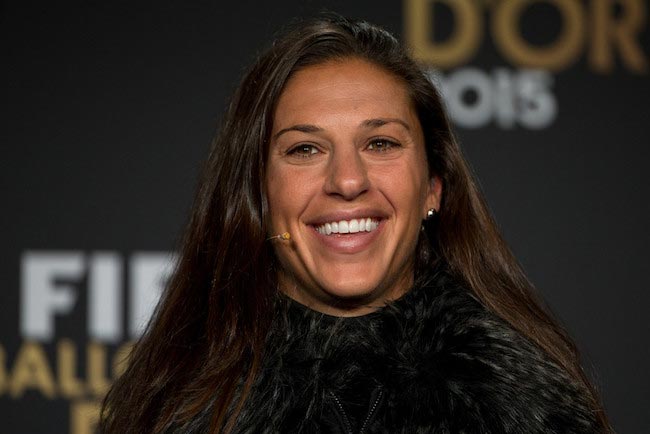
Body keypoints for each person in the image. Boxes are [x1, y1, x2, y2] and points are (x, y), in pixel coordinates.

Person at [100, 15, 612, 434]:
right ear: (255, 194)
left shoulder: (534, 413)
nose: (347, 181)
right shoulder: (164, 412)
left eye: (381, 143)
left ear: (433, 186)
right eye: (305, 149)